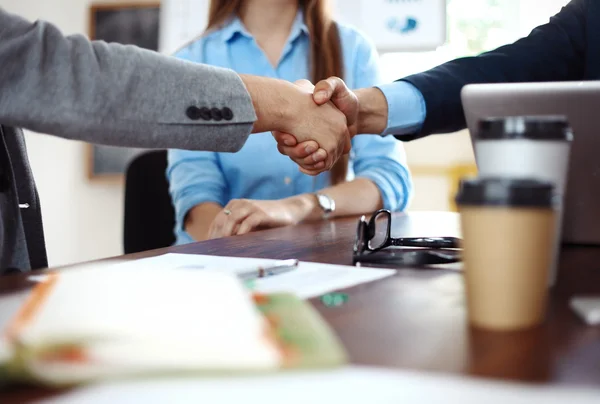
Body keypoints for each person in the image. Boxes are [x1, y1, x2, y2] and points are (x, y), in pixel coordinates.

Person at [0, 8, 349, 273]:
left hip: (324, 262)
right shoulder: (197, 54)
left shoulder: (347, 45)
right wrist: (285, 105)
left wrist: (298, 208)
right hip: (227, 268)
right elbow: (60, 70)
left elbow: (384, 174)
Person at [167, 0, 412, 242]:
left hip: (322, 258)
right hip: (223, 262)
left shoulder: (352, 48)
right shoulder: (192, 61)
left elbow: (388, 177)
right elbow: (195, 199)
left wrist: (300, 207)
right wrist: (250, 249)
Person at [277, 0, 593, 166]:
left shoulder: (350, 45)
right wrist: (361, 111)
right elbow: (506, 69)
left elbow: (387, 176)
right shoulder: (590, 15)